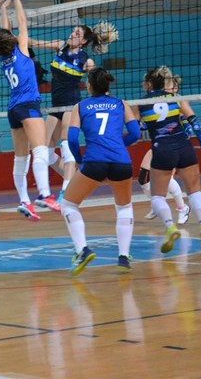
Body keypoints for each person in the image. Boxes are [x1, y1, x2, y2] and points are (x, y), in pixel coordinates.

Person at [0, 0, 60, 221]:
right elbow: (22, 23)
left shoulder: (4, 57)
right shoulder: (21, 49)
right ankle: (44, 194)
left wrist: (4, 9)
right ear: (12, 40)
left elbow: (7, 32)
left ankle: (24, 201)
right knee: (40, 150)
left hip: (13, 109)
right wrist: (18, 3)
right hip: (28, 105)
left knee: (21, 158)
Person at [61, 67, 141, 275]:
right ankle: (123, 257)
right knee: (124, 207)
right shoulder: (121, 104)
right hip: (121, 161)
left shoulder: (80, 106)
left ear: (89, 86)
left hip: (94, 161)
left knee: (68, 204)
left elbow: (71, 139)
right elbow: (135, 133)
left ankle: (83, 250)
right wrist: (118, 146)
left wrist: (79, 161)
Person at [27, 21, 119, 203]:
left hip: (71, 106)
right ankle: (77, 182)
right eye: (73, 31)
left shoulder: (86, 60)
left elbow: (99, 80)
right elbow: (33, 42)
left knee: (66, 143)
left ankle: (65, 192)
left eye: (77, 34)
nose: (72, 34)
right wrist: (14, 38)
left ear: (83, 41)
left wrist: (106, 98)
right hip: (55, 106)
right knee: (44, 151)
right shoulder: (60, 46)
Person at [135, 66, 201, 254]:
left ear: (148, 84)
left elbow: (135, 131)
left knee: (157, 196)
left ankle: (170, 227)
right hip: (184, 147)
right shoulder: (176, 98)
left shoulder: (140, 103)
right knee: (195, 192)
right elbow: (195, 121)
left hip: (162, 149)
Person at [136, 70, 190, 224]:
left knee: (166, 178)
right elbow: (150, 123)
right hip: (159, 144)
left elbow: (186, 123)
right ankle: (156, 203)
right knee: (143, 178)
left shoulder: (176, 101)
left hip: (174, 144)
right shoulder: (154, 102)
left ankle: (182, 207)